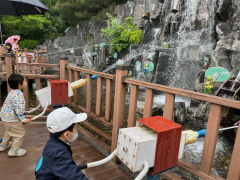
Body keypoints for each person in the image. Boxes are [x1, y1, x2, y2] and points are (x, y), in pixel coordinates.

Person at [35, 107, 89, 180]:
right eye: (76, 127)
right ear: (67, 134)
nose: (77, 130)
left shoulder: (54, 143)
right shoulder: (58, 153)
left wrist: (69, 166)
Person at [0, 74, 32, 157]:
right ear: (19, 84)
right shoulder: (19, 95)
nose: (25, 82)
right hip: (12, 119)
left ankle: (3, 145)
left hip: (5, 117)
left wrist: (22, 111)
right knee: (19, 133)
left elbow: (14, 106)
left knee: (9, 131)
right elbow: (18, 109)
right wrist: (23, 119)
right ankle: (14, 150)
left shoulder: (12, 92)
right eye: (24, 81)